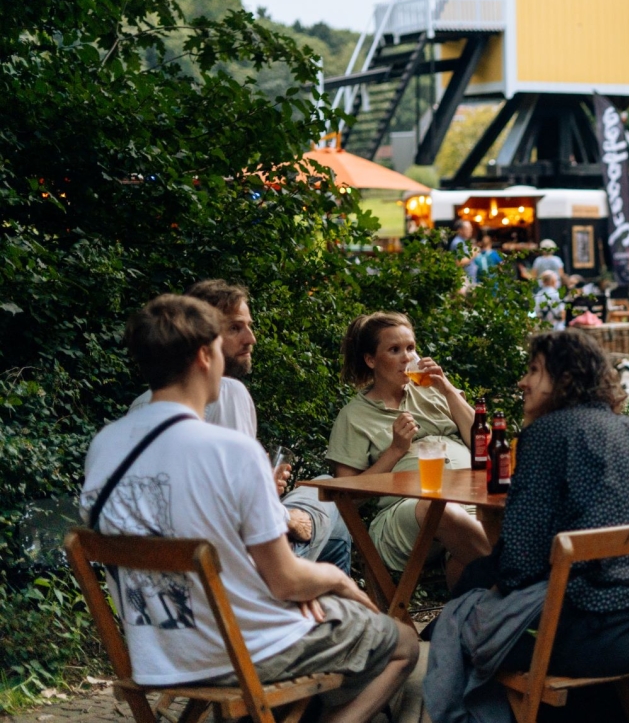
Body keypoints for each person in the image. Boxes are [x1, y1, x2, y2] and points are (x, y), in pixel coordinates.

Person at [88, 296, 416, 721]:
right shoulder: (231, 450)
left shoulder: (105, 445)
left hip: (155, 654)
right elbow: (286, 581)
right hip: (240, 652)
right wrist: (336, 580)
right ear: (206, 356)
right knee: (403, 642)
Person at [424, 331, 629, 722]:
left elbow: (519, 566)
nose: (523, 381)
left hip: (596, 635)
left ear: (565, 379)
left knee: (459, 615)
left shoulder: (546, 434)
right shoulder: (628, 428)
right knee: (479, 585)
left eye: (534, 371)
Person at [130, 281, 351, 574]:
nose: (251, 339)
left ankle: (317, 612)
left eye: (249, 326)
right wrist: (286, 517)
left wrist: (262, 486)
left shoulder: (140, 407)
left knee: (332, 533)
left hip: (167, 572)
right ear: (200, 338)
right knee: (328, 495)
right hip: (229, 574)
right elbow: (242, 512)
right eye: (235, 328)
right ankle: (323, 613)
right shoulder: (229, 392)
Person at [327, 313, 490, 587]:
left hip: (472, 501)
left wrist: (448, 389)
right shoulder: (353, 416)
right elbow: (347, 497)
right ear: (371, 360)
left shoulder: (433, 392)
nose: (406, 357)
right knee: (440, 509)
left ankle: (462, 626)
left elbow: (484, 445)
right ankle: (525, 579)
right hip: (405, 516)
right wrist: (395, 450)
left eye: (411, 348)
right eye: (394, 350)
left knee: (464, 562)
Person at [449, 220, 476, 285]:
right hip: (464, 281)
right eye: (468, 228)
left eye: (471, 228)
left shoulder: (464, 241)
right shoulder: (458, 243)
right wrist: (473, 253)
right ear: (460, 230)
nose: (471, 230)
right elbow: (459, 263)